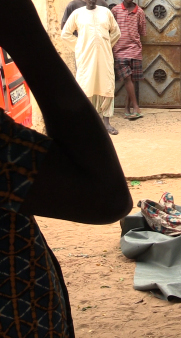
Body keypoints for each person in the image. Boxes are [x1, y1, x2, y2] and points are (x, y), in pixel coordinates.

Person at [0, 0, 132, 336]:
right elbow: (106, 196)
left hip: (102, 56)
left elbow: (115, 34)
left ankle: (106, 119)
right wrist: (25, 34)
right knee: (86, 95)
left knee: (101, 97)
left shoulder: (107, 16)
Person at [62, 0, 121, 135]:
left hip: (105, 57)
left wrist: (106, 45)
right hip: (85, 58)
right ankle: (88, 123)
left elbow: (116, 32)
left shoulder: (106, 12)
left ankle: (106, 123)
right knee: (85, 86)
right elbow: (65, 34)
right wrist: (79, 47)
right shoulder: (77, 14)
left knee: (107, 86)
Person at [112, 0, 147, 120]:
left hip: (135, 50)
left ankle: (127, 108)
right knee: (127, 78)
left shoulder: (140, 12)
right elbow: (111, 28)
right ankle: (136, 107)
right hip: (119, 50)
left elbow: (142, 31)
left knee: (131, 80)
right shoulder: (115, 10)